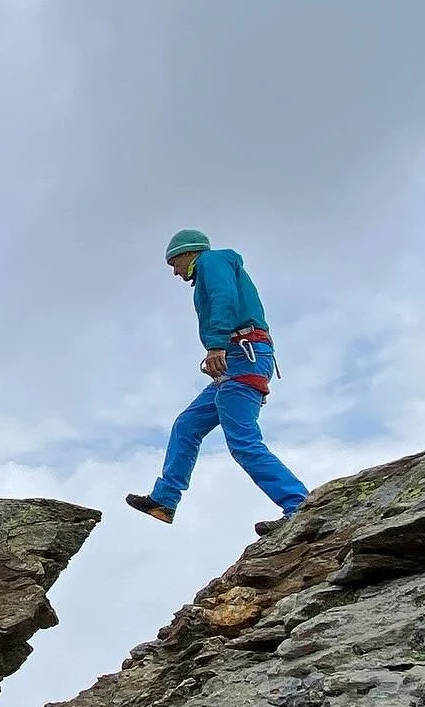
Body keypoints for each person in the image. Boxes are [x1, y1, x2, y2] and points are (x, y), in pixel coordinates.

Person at [126, 229, 308, 536]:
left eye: (174, 262)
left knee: (243, 442)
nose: (174, 271)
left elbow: (225, 298)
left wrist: (216, 345)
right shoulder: (212, 268)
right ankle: (165, 500)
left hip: (243, 354)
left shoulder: (212, 261)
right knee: (187, 424)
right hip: (240, 359)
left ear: (188, 253)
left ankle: (299, 504)